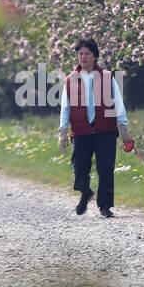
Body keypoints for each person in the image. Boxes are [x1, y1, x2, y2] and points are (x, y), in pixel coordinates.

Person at [57, 38, 134, 217]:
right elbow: (65, 107)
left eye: (87, 53)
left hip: (105, 130)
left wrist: (124, 130)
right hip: (81, 131)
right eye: (80, 53)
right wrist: (62, 132)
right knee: (79, 166)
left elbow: (118, 103)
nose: (83, 57)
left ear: (95, 56)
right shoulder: (70, 80)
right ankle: (85, 193)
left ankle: (105, 205)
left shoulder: (107, 77)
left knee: (105, 168)